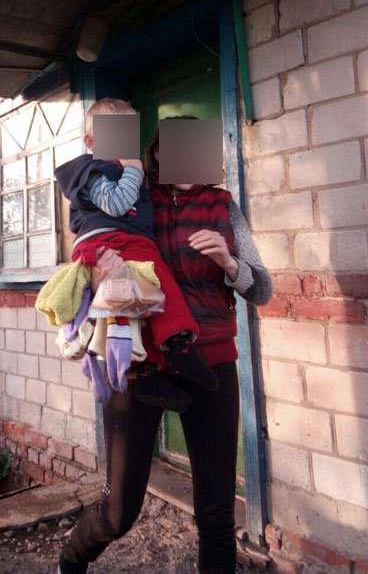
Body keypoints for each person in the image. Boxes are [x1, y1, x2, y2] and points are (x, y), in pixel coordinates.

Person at [58, 121, 273, 574]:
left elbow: (262, 290)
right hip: (143, 362)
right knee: (119, 510)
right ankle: (71, 559)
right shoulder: (136, 201)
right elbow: (86, 248)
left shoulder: (223, 206)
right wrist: (99, 273)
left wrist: (230, 263)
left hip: (211, 362)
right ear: (159, 155)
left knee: (216, 512)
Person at [53, 98, 219, 412]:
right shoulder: (94, 170)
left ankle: (145, 373)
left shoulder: (217, 201)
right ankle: (178, 343)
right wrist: (133, 170)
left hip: (121, 238)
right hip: (109, 238)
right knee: (157, 278)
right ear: (91, 142)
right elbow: (116, 205)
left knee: (138, 300)